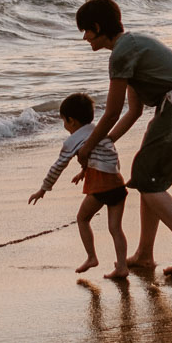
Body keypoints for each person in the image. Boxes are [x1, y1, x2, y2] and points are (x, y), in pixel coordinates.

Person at [73, 0, 172, 275]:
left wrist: (88, 147)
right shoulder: (130, 46)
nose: (84, 38)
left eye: (85, 31)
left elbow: (111, 112)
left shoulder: (121, 52)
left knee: (147, 177)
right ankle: (145, 254)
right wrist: (107, 143)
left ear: (98, 27)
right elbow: (133, 111)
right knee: (147, 178)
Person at [28, 92, 130, 279]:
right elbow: (103, 156)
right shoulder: (99, 131)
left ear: (72, 121)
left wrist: (43, 189)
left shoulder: (73, 140)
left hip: (101, 186)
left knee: (82, 219)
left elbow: (58, 166)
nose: (65, 126)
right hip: (117, 183)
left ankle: (91, 257)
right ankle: (122, 266)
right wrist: (84, 171)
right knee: (115, 228)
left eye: (64, 122)